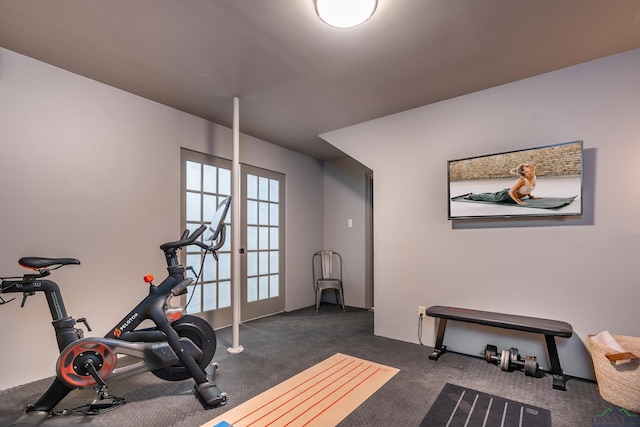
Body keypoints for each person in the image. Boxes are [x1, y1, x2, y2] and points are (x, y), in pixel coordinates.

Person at [463, 163, 538, 205]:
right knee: (488, 197)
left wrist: (531, 196)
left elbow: (527, 188)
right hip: (505, 196)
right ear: (523, 171)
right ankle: (471, 196)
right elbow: (511, 192)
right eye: (527, 166)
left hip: (513, 195)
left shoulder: (533, 177)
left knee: (491, 194)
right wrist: (519, 202)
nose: (530, 165)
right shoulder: (521, 180)